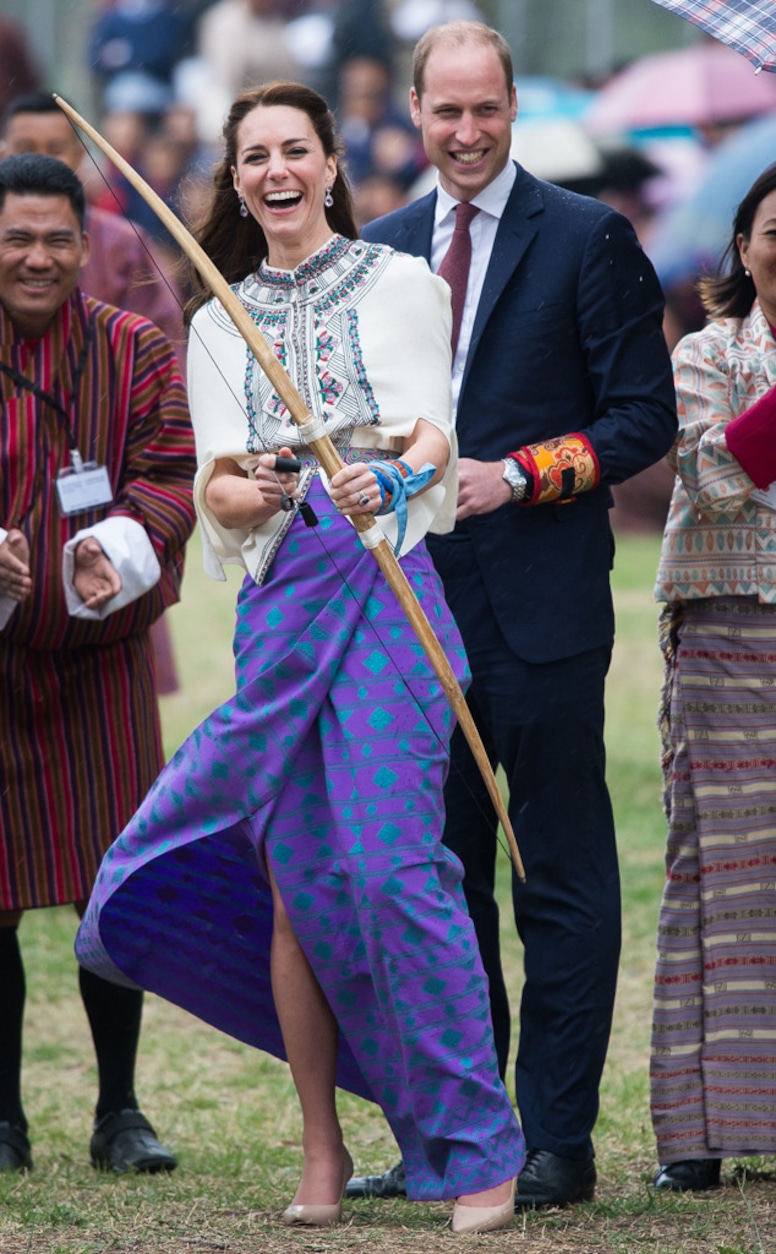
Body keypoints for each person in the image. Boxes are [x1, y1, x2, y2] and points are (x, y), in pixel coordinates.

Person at [75, 81, 525, 1233]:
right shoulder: (218, 322)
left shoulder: (401, 282)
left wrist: (398, 474)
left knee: (390, 871)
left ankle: (476, 1141)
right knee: (298, 898)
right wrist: (257, 485)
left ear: (331, 163)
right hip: (283, 599)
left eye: (295, 150)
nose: (276, 171)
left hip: (386, 592)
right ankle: (321, 1151)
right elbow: (214, 485)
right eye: (253, 157)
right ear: (234, 181)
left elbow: (431, 428)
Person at [352, 19, 678, 1209]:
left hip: (539, 612)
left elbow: (642, 419)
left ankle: (555, 1141)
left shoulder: (589, 239)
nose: (466, 132)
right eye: (445, 112)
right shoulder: (378, 252)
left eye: (485, 110)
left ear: (510, 112)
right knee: (432, 885)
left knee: (557, 875)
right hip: (408, 616)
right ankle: (459, 1135)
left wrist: (521, 472)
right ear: (415, 113)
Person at [0, 152, 196, 1174]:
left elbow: (171, 472)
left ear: (87, 246)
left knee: (113, 892)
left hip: (101, 664)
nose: (37, 257)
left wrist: (113, 546)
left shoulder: (133, 348)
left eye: (56, 239)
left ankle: (119, 1109)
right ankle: (2, 1118)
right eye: (17, 238)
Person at [650, 164, 776, 1193]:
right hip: (727, 638)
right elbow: (715, 477)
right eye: (774, 228)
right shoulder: (704, 353)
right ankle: (695, 1132)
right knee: (718, 877)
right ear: (740, 248)